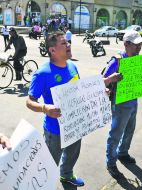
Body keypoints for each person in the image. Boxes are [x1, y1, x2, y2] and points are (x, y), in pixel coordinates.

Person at [26, 31, 85, 187]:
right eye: (64, 43)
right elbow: (29, 101)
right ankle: (44, 184)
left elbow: (79, 90)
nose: (69, 45)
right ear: (52, 50)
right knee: (50, 162)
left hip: (75, 124)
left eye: (68, 42)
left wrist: (99, 93)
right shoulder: (42, 73)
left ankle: (66, 175)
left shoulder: (73, 66)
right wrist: (45, 108)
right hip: (54, 129)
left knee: (73, 154)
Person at [103, 31, 142, 179]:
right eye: (136, 44)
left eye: (140, 43)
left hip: (133, 101)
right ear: (126, 44)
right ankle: (111, 162)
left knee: (129, 130)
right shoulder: (117, 61)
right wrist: (110, 81)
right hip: (120, 104)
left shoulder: (137, 59)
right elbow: (102, 80)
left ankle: (123, 153)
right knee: (115, 134)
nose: (139, 47)